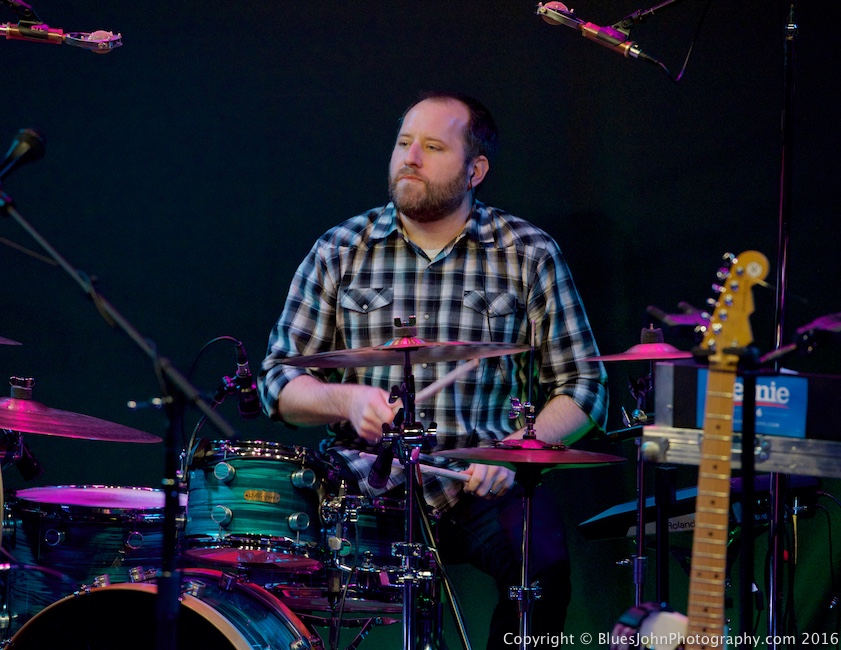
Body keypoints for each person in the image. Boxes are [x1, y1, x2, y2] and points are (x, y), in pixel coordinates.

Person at [259, 90, 608, 649]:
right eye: (403, 143)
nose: (410, 157)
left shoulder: (528, 252)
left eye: (433, 146)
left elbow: (586, 388)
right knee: (274, 576)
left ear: (476, 169)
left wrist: (518, 452)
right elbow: (278, 381)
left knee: (540, 570)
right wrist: (346, 401)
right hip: (364, 485)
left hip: (481, 485)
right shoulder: (340, 249)